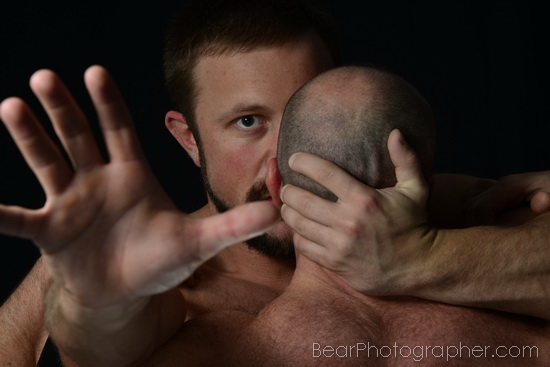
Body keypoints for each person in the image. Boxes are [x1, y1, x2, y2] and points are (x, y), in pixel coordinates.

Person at [0, 0, 548, 365]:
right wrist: (94, 300)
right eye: (249, 123)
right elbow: (88, 336)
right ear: (188, 140)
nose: (286, 159)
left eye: (307, 112)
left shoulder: (458, 207)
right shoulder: (154, 284)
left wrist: (418, 259)